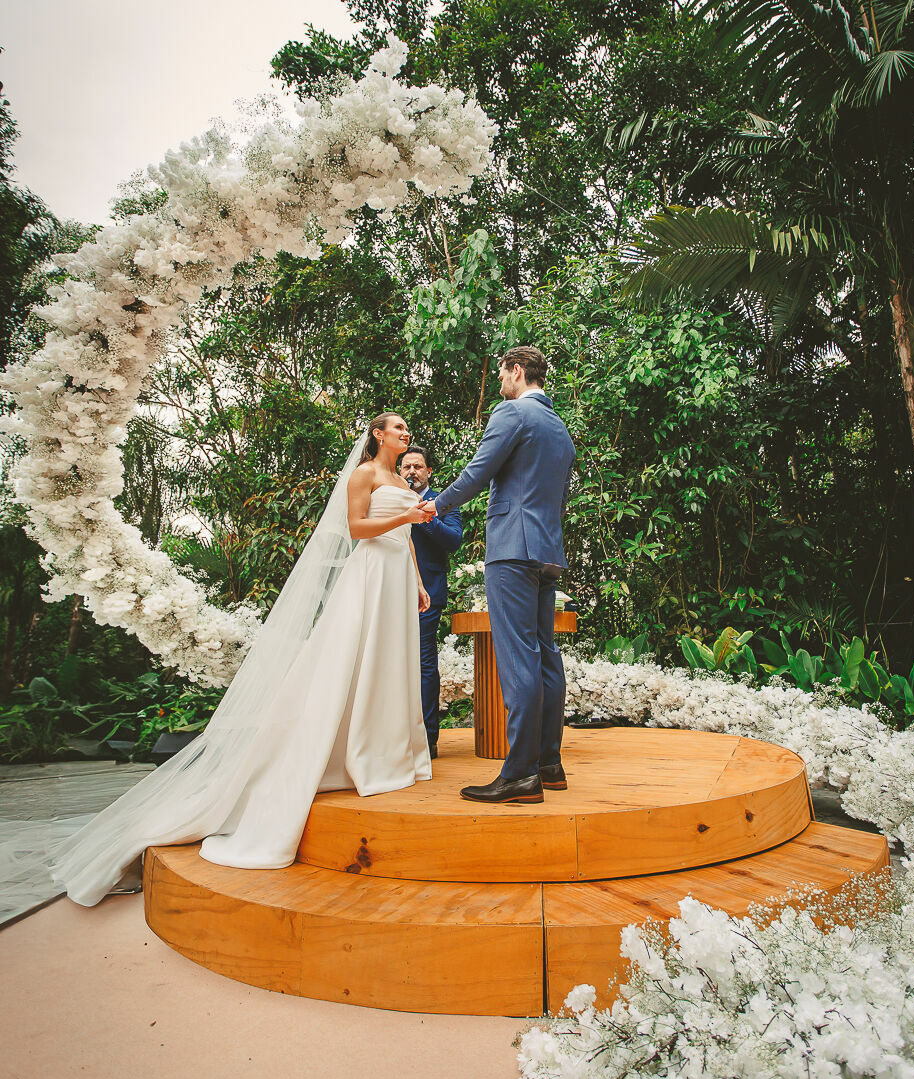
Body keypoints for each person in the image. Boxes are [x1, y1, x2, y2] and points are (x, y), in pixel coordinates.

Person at [50, 413, 435, 905]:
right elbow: (359, 529)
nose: (406, 433)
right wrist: (408, 516)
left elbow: (405, 540)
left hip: (398, 575)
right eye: (398, 428)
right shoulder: (363, 474)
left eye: (408, 428)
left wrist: (419, 581)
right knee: (354, 662)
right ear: (378, 435)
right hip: (370, 576)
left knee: (390, 665)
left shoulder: (401, 478)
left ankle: (389, 749)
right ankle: (350, 750)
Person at [425, 347, 575, 804]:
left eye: (503, 376)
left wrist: (437, 504)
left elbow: (478, 472)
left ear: (516, 371)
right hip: (547, 550)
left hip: (512, 548)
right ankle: (549, 763)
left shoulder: (513, 413)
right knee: (545, 653)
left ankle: (519, 775)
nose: (500, 386)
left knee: (517, 658)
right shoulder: (560, 429)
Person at [400, 445, 463, 759]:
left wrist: (426, 516)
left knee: (424, 665)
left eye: (418, 466)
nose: (412, 471)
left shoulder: (444, 500)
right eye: (406, 466)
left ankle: (428, 738)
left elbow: (454, 540)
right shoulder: (390, 497)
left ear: (428, 472)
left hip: (428, 594)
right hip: (390, 590)